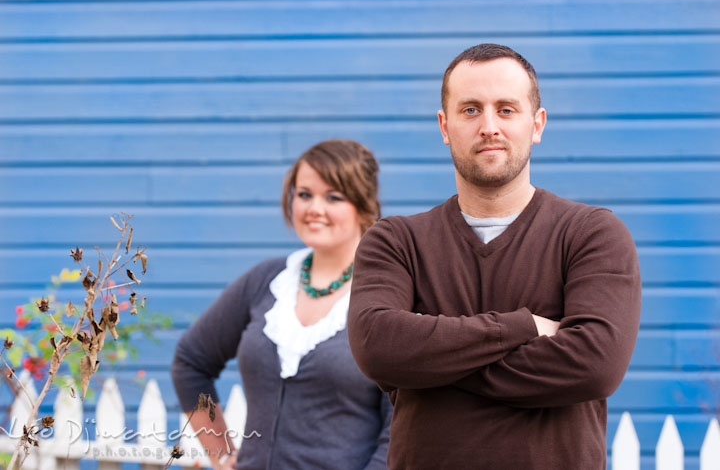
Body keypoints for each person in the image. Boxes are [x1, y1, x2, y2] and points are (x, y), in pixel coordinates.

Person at [347, 44, 642, 469]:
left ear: (536, 124)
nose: (489, 126)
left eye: (506, 109)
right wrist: (521, 327)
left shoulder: (590, 234)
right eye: (470, 110)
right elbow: (379, 347)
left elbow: (596, 366)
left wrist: (431, 366)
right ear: (444, 126)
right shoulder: (396, 241)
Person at [172, 139, 390, 470]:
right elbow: (191, 362)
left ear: (363, 206)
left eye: (333, 196)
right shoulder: (267, 281)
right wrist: (220, 453)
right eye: (305, 194)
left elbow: (401, 423)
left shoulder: (387, 296)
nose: (314, 208)